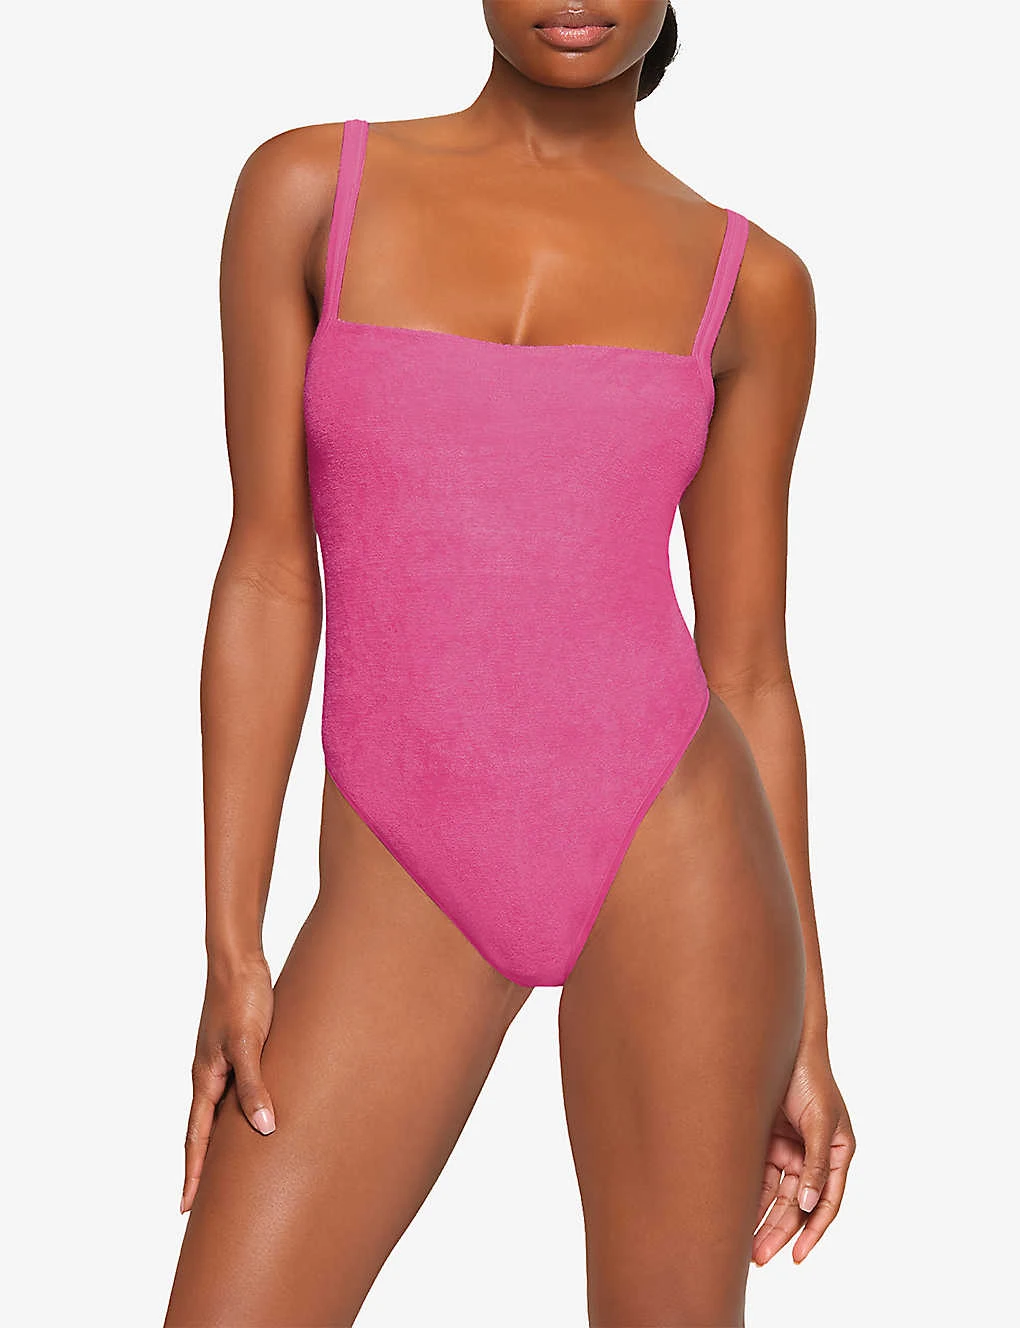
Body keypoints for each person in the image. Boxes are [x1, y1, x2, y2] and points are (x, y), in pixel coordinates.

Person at [164, 2, 855, 1323]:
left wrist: (808, 1023)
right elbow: (265, 571)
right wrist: (231, 940)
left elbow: (752, 671)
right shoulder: (307, 191)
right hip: (404, 861)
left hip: (677, 848)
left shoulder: (755, 283)